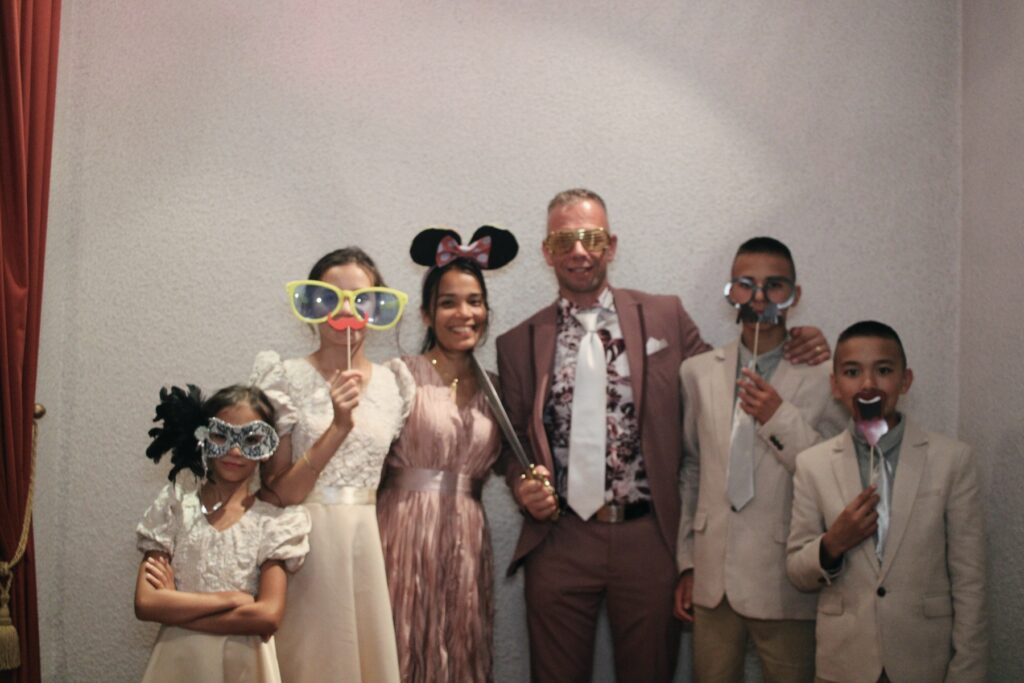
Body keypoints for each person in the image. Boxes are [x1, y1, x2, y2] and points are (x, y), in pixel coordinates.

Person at [496, 188, 831, 682]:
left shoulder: (665, 316)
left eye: (592, 238)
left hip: (649, 538)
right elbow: (512, 446)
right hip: (560, 540)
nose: (579, 251)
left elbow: (723, 375)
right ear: (547, 251)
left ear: (611, 245)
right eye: (564, 240)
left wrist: (794, 339)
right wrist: (520, 483)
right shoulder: (517, 342)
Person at [674, 237, 846, 683]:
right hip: (713, 578)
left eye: (774, 285)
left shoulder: (825, 378)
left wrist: (778, 418)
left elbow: (836, 475)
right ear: (730, 291)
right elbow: (693, 470)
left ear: (794, 295)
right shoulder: (697, 372)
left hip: (786, 580)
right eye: (746, 284)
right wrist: (688, 562)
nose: (759, 297)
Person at [787, 321, 987, 683]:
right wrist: (833, 543)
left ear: (905, 380)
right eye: (852, 372)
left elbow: (970, 580)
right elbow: (798, 571)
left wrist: (967, 671)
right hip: (843, 664)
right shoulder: (812, 464)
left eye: (883, 370)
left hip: (924, 662)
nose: (868, 384)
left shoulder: (952, 460)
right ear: (835, 385)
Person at [250, 247, 414, 683]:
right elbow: (276, 493)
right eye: (329, 298)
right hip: (303, 548)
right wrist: (338, 427)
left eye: (360, 299)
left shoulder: (394, 383)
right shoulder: (285, 378)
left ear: (377, 307)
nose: (345, 311)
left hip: (366, 544)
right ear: (310, 305)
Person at [376, 225, 518, 683]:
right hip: (400, 531)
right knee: (399, 641)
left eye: (474, 301)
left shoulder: (498, 390)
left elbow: (512, 464)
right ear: (426, 314)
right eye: (449, 303)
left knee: (460, 646)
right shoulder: (398, 376)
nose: (464, 313)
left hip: (467, 537)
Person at [134, 384, 311, 683]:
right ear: (202, 435)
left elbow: (268, 616)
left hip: (244, 667)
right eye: (221, 435)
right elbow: (147, 603)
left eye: (251, 439)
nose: (235, 450)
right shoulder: (174, 508)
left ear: (266, 449)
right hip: (179, 664)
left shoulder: (272, 524)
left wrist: (176, 605)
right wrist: (233, 599)